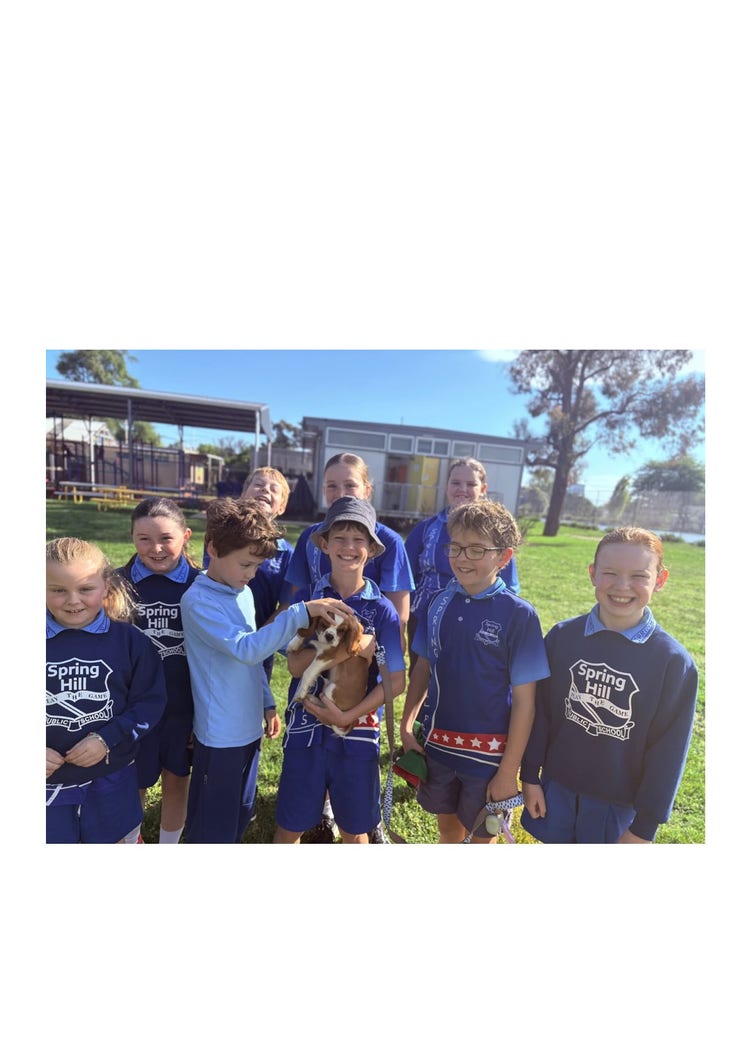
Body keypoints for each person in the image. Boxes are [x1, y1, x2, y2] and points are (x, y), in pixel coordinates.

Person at [181, 497, 354, 844]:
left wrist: (266, 701)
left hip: (248, 729)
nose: (250, 574)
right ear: (212, 549)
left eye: (257, 566)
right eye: (245, 564)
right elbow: (246, 649)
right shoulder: (198, 601)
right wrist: (299, 612)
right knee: (213, 824)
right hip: (220, 737)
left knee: (241, 810)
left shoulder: (242, 592)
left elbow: (254, 652)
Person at [519, 526, 699, 844]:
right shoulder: (562, 638)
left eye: (639, 576)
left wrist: (645, 827)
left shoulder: (672, 662)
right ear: (592, 574)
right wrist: (531, 775)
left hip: (616, 807)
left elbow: (669, 753)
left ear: (660, 580)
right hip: (557, 789)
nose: (622, 586)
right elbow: (541, 714)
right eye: (610, 573)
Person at [400, 501, 549, 843]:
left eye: (477, 550)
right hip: (438, 748)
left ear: (504, 557)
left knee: (482, 838)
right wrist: (407, 725)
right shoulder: (437, 603)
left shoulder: (519, 615)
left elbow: (526, 703)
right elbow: (422, 667)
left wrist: (508, 771)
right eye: (455, 547)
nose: (462, 558)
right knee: (448, 831)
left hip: (490, 759)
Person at [284, 452, 414, 842]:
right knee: (289, 825)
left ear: (372, 550)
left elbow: (396, 680)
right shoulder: (309, 601)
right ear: (323, 545)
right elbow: (293, 667)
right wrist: (347, 648)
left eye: (359, 541)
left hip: (358, 728)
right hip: (306, 725)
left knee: (355, 830)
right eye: (339, 539)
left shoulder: (382, 610)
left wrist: (347, 715)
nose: (349, 547)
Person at [46, 537, 167, 844]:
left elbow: (149, 702)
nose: (73, 600)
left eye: (85, 589)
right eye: (58, 590)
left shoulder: (131, 642)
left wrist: (107, 739)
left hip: (111, 780)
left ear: (106, 587)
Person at [116, 497, 202, 844]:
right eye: (144, 539)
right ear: (132, 538)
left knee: (177, 778)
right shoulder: (116, 584)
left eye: (166, 538)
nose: (156, 548)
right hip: (132, 708)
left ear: (185, 536)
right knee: (132, 782)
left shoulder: (201, 585)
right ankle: (130, 841)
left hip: (183, 706)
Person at [404, 457, 521, 669]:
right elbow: (405, 577)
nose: (462, 489)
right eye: (456, 482)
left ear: (483, 488)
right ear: (446, 486)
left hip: (478, 623)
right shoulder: (426, 529)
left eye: (471, 484)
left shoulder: (496, 533)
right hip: (425, 620)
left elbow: (509, 588)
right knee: (422, 676)